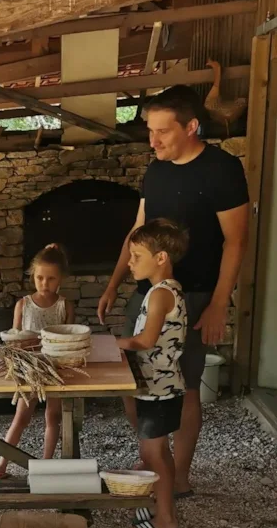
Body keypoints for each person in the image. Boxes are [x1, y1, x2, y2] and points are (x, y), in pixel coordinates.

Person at [98, 85, 249, 497]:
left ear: (192, 126)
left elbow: (236, 240)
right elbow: (137, 232)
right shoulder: (157, 169)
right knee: (129, 375)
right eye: (150, 130)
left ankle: (178, 476)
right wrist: (115, 283)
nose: (153, 140)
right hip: (147, 291)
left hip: (197, 295)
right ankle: (154, 458)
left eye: (162, 131)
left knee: (185, 385)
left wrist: (219, 304)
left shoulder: (222, 169)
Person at [117, 219, 190, 528]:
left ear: (160, 258)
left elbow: (145, 341)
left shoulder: (161, 294)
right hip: (160, 387)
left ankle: (166, 518)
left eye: (136, 255)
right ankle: (160, 505)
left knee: (154, 453)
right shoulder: (163, 290)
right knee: (156, 452)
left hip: (160, 389)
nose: (130, 262)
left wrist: (111, 343)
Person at [0, 244, 74, 479]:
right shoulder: (23, 305)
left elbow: (68, 337)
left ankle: (46, 466)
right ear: (32, 276)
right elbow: (14, 340)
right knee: (21, 416)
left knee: (53, 417)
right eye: (39, 277)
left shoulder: (64, 306)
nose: (44, 283)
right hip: (29, 368)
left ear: (61, 279)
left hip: (56, 367)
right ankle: (1, 465)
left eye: (50, 278)